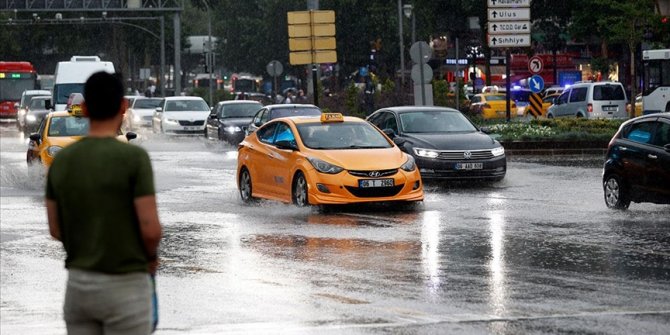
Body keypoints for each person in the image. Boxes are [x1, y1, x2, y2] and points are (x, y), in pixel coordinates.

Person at [46, 71, 162, 335]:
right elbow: (151, 229)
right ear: (123, 106)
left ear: (84, 109)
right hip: (127, 285)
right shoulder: (134, 159)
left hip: (79, 287)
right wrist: (150, 260)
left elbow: (55, 229)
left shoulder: (62, 162)